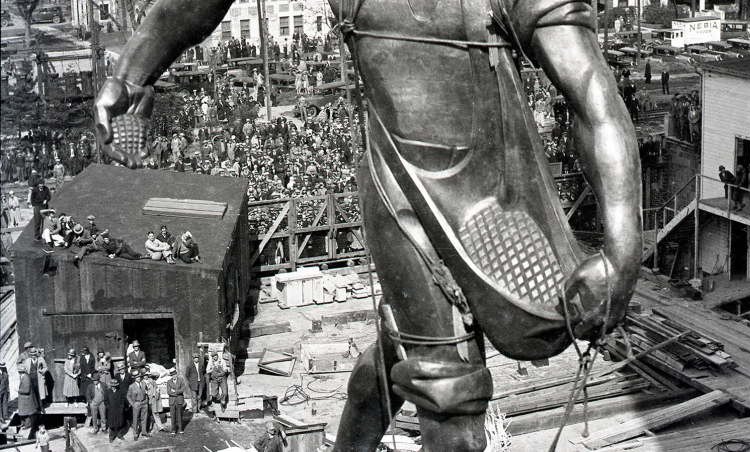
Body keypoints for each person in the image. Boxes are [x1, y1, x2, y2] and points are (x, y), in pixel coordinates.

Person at [94, 1, 643, 451]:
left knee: (395, 356)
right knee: (447, 397)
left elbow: (592, 93)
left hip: (498, 200)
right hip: (399, 188)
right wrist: (132, 72)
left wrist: (622, 248)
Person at [127, 369, 150, 440]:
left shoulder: (143, 383)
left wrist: (146, 400)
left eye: (139, 377)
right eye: (137, 377)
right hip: (136, 403)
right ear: (134, 378)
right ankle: (135, 434)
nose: (138, 378)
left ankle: (144, 431)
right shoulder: (131, 386)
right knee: (135, 419)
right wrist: (132, 404)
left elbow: (146, 392)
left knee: (144, 418)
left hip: (144, 402)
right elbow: (128, 396)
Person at [144, 368, 168, 433]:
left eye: (147, 375)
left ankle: (160, 427)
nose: (146, 376)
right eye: (144, 375)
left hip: (153, 399)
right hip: (145, 400)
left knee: (155, 413)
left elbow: (156, 389)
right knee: (147, 414)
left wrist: (155, 395)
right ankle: (147, 428)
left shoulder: (152, 381)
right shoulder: (142, 383)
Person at [17, 362, 40, 428]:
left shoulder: (26, 378)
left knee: (27, 413)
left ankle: (27, 425)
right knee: (23, 413)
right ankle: (23, 423)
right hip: (24, 399)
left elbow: (27, 390)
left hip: (26, 399)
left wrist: (18, 390)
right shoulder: (23, 376)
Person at [166, 367, 186, 435]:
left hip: (179, 400)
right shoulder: (169, 382)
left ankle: (180, 429)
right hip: (172, 401)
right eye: (172, 375)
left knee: (180, 415)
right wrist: (177, 393)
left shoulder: (181, 380)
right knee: (173, 415)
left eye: (174, 374)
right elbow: (168, 392)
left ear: (176, 374)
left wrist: (175, 391)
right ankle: (173, 430)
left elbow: (183, 389)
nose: (173, 376)